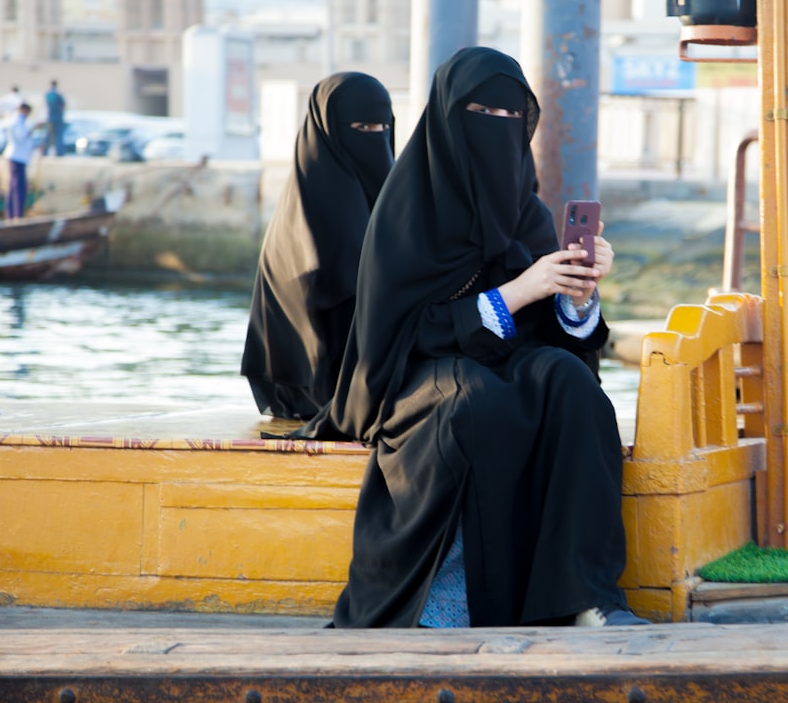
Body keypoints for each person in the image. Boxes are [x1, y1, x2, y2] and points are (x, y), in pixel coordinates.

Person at [292, 47, 649, 629]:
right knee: (473, 403)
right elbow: (400, 333)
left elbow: (555, 338)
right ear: (447, 120)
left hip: (504, 362)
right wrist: (516, 292)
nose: (499, 130)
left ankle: (588, 599)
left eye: (512, 119)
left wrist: (576, 298)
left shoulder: (525, 213)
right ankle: (447, 604)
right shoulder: (404, 217)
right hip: (414, 377)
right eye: (482, 113)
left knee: (571, 386)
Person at [241, 72, 395, 420]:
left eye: (382, 130)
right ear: (328, 133)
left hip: (366, 378)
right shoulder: (313, 211)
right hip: (311, 389)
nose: (374, 140)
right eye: (361, 129)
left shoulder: (391, 204)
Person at [3, 102, 36, 219]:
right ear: (24, 110)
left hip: (17, 156)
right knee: (19, 187)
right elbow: (21, 136)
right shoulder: (17, 121)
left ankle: (12, 214)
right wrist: (34, 128)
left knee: (14, 187)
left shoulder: (16, 120)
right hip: (17, 157)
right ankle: (17, 214)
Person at [44, 80, 66, 156]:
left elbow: (47, 105)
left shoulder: (48, 94)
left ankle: (44, 152)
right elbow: (63, 105)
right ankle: (59, 153)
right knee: (58, 136)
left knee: (48, 135)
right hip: (58, 117)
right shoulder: (58, 94)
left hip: (50, 117)